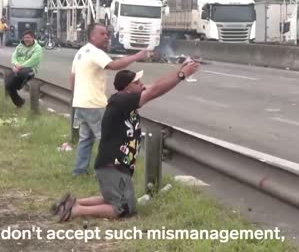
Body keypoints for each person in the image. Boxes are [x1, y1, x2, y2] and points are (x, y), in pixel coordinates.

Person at [53, 61, 200, 222]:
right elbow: (154, 91)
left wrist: (179, 69)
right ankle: (75, 211)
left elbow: (155, 85)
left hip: (115, 165)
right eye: (136, 83)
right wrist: (181, 75)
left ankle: (71, 203)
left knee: (114, 200)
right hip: (112, 165)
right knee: (123, 209)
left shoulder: (124, 99)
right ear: (127, 88)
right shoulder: (122, 101)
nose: (141, 85)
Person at [70, 23, 152, 176]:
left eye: (107, 34)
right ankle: (105, 172)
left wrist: (76, 97)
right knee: (107, 138)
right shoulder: (95, 52)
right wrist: (137, 56)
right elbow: (113, 65)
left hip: (81, 103)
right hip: (94, 103)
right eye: (102, 34)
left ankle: (79, 171)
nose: (107, 37)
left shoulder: (81, 52)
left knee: (86, 139)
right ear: (92, 36)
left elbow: (72, 76)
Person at [6, 30, 42, 107]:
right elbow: (14, 57)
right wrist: (16, 64)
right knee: (8, 84)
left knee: (21, 74)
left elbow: (34, 60)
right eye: (25, 37)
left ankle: (17, 86)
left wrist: (20, 66)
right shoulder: (19, 46)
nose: (26, 39)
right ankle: (19, 102)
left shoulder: (37, 48)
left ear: (33, 38)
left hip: (30, 69)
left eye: (28, 37)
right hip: (18, 68)